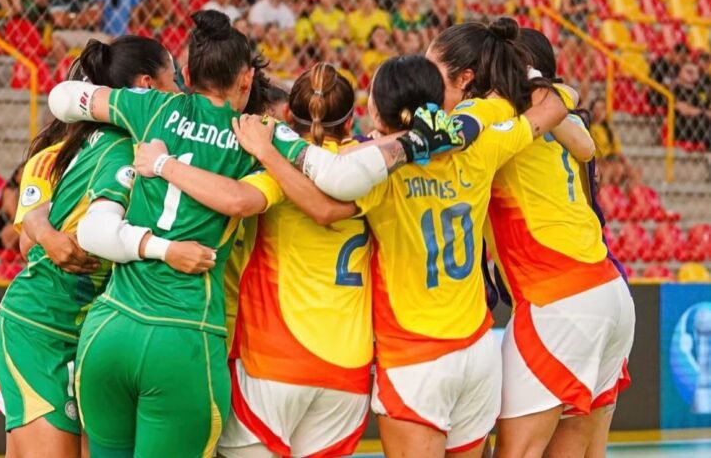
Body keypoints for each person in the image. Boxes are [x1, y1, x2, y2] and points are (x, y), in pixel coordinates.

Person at [231, 22, 568, 456]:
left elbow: (328, 203)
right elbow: (551, 104)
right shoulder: (481, 140)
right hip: (478, 348)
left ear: (377, 113)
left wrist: (276, 147)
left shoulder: (381, 170)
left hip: (416, 357)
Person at [0, 36, 214, 458]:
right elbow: (29, 236)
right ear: (147, 85)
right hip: (42, 325)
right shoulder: (89, 150)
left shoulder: (143, 148)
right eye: (175, 78)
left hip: (90, 333)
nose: (182, 92)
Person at [134, 63, 373, 458]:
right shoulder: (368, 166)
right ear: (350, 124)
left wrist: (163, 165)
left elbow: (237, 199)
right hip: (348, 370)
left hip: (274, 360)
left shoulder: (273, 168)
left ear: (285, 119)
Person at [483, 28, 634, 458]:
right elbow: (584, 147)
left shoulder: (502, 122)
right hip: (609, 288)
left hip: (558, 299)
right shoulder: (572, 121)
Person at [49, 0, 108, 64]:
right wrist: (84, 16)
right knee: (56, 40)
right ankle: (65, 71)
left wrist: (70, 17)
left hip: (87, 33)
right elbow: (61, 21)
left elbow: (95, 18)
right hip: (66, 33)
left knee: (110, 40)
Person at [674, 62, 711, 150]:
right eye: (689, 72)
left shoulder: (701, 90)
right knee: (703, 120)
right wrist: (704, 112)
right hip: (683, 125)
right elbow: (684, 109)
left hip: (702, 125)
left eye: (695, 73)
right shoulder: (676, 88)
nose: (693, 75)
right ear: (680, 73)